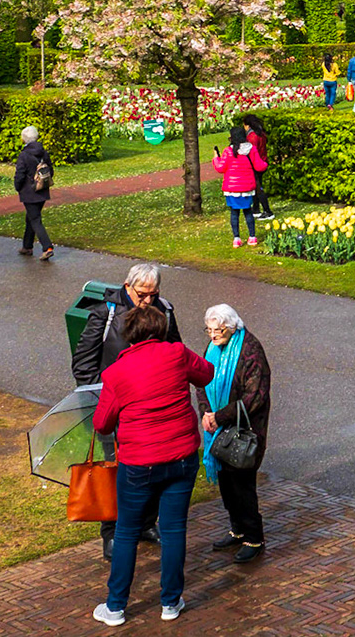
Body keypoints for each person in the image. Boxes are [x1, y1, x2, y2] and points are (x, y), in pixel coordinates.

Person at [90, 305, 212, 627]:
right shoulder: (176, 353)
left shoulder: (116, 372)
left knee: (127, 532)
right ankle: (171, 602)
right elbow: (207, 373)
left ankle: (115, 607)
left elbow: (102, 423)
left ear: (129, 335)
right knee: (174, 531)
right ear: (159, 330)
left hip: (138, 464)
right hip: (182, 457)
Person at [73, 263, 184, 559]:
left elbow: (176, 352)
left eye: (153, 294)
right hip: (116, 408)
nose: (147, 301)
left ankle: (147, 523)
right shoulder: (105, 313)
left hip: (151, 408)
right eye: (142, 294)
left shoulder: (165, 310)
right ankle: (110, 533)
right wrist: (103, 398)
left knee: (153, 468)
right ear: (127, 286)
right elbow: (84, 363)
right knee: (114, 470)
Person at [200, 304, 271, 564]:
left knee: (242, 484)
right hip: (218, 428)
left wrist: (219, 416)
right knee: (226, 484)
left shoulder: (250, 351)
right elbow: (201, 380)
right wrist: (206, 413)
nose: (212, 336)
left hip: (244, 430)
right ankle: (237, 528)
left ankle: (254, 537)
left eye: (218, 330)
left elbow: (255, 397)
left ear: (231, 327)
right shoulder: (211, 348)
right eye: (208, 330)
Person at [212, 125, 262, 247]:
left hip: (232, 188)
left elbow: (220, 168)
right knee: (248, 212)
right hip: (247, 188)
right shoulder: (251, 149)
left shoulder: (229, 151)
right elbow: (259, 166)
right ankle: (252, 237)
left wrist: (215, 158)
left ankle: (236, 239)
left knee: (234, 213)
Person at [12, 124, 55, 260]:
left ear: (24, 139)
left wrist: (18, 187)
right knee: (31, 217)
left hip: (29, 192)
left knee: (35, 219)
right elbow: (50, 170)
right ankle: (27, 246)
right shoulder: (44, 152)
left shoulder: (24, 155)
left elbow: (20, 174)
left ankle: (47, 247)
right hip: (42, 190)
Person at [247, 118, 273, 222]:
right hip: (262, 162)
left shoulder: (252, 137)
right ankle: (256, 209)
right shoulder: (261, 134)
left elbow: (252, 151)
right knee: (256, 186)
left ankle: (267, 211)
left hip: (255, 164)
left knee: (258, 187)